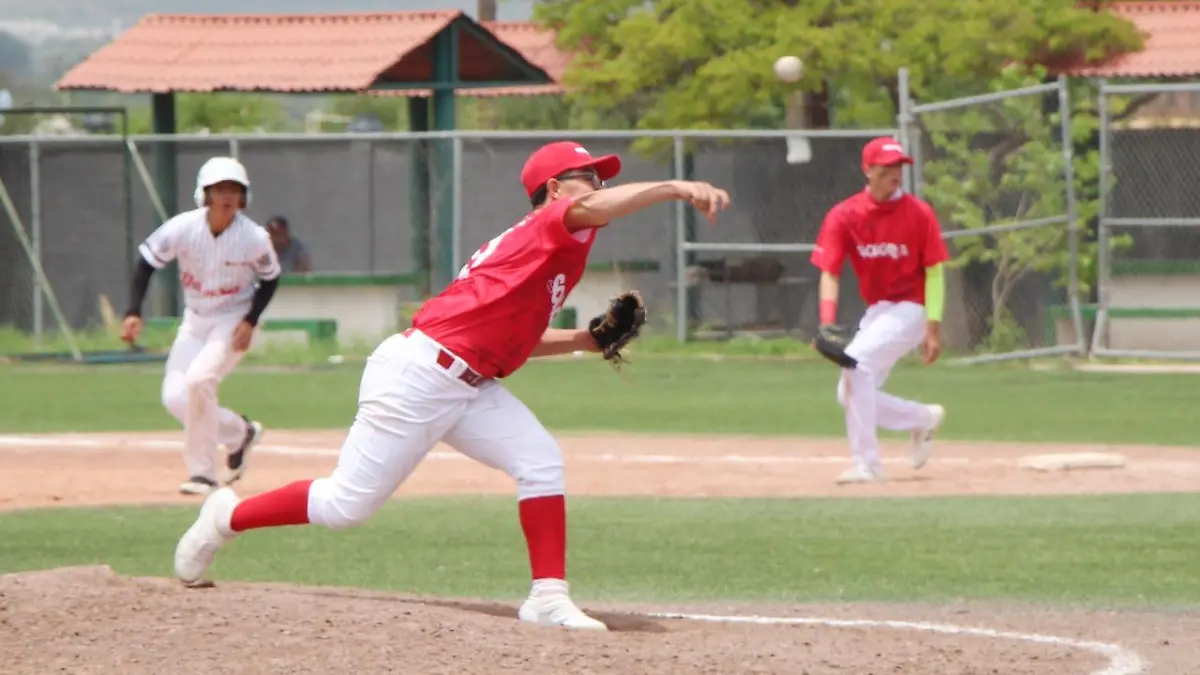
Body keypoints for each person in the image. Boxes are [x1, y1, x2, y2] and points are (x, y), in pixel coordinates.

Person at [172, 141, 731, 630]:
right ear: (557, 189)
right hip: (418, 376)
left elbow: (517, 336)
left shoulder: (552, 252)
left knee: (540, 459)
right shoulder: (548, 225)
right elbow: (590, 207)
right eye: (589, 177)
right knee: (345, 506)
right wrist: (674, 188)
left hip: (469, 382)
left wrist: (588, 340)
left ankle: (548, 597)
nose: (600, 186)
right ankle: (225, 516)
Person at [121, 156, 281, 496]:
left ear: (243, 197)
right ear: (204, 194)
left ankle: (203, 474)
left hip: (232, 319)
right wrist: (133, 311)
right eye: (219, 189)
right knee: (176, 397)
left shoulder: (253, 237)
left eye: (234, 190)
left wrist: (250, 321)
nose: (227, 197)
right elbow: (146, 264)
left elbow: (270, 279)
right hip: (195, 319)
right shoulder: (182, 228)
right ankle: (240, 433)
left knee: (199, 379)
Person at [810, 137, 948, 484]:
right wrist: (826, 323)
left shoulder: (918, 213)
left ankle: (867, 465)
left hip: (913, 307)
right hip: (880, 310)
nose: (894, 175)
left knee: (855, 363)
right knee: (850, 391)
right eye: (886, 169)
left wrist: (932, 328)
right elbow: (830, 270)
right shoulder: (845, 215)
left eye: (898, 167)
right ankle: (921, 418)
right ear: (868, 171)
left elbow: (935, 272)